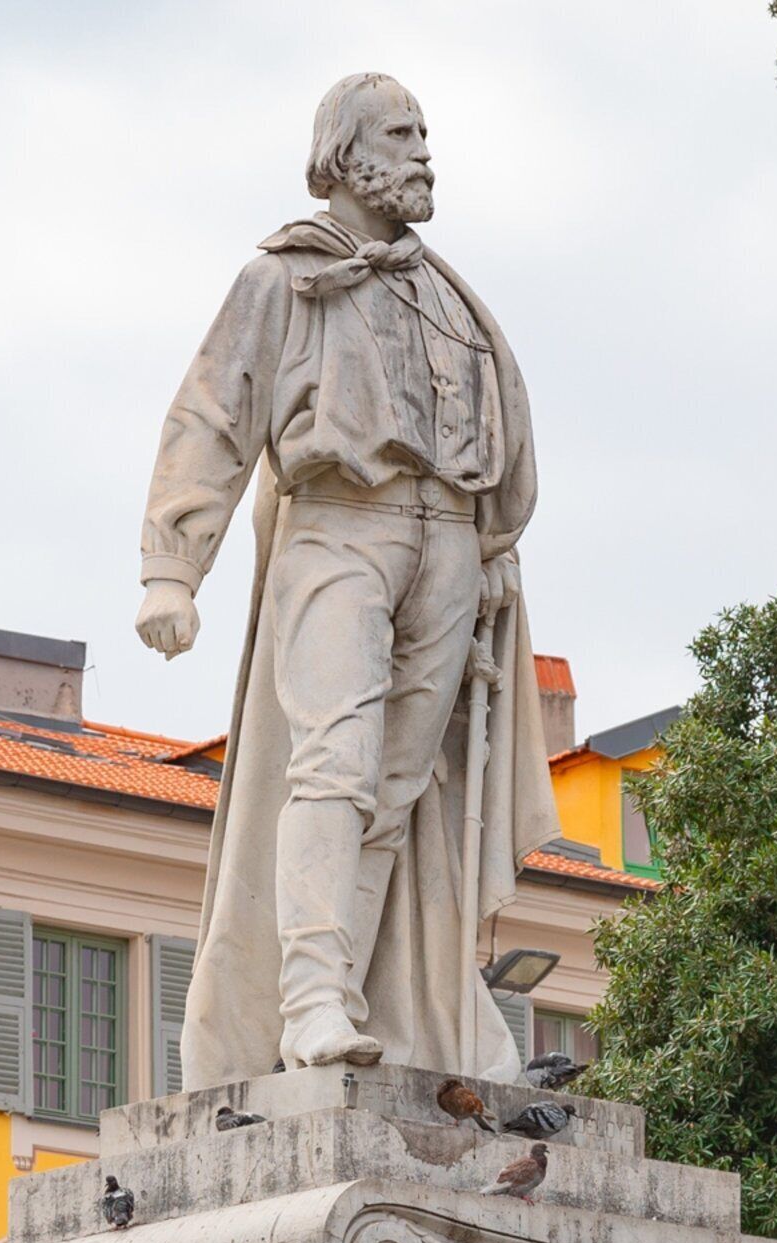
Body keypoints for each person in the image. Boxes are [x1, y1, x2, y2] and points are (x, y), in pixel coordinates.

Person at [138, 71, 560, 1084]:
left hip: (450, 538)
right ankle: (311, 1001)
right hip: (340, 527)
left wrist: (491, 549)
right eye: (404, 134)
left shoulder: (448, 294)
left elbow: (496, 428)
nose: (424, 153)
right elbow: (212, 417)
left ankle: (352, 992)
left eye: (426, 135)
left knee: (399, 787)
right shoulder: (282, 280)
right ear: (349, 150)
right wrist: (171, 569)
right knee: (332, 759)